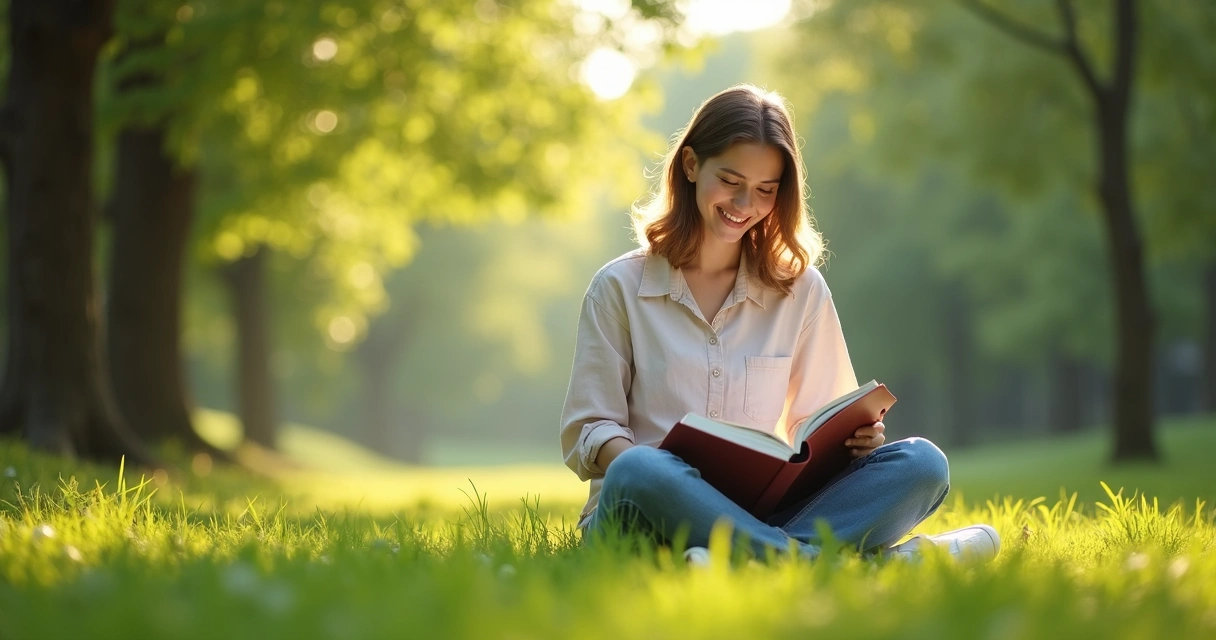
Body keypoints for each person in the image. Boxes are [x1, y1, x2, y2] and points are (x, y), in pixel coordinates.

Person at [559, 84, 999, 563]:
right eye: (730, 181)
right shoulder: (619, 287)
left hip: (762, 512)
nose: (744, 204)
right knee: (639, 467)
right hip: (645, 513)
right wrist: (662, 479)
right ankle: (840, 564)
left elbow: (821, 425)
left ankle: (743, 559)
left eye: (765, 191)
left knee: (922, 463)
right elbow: (591, 428)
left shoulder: (801, 290)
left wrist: (856, 443)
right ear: (690, 165)